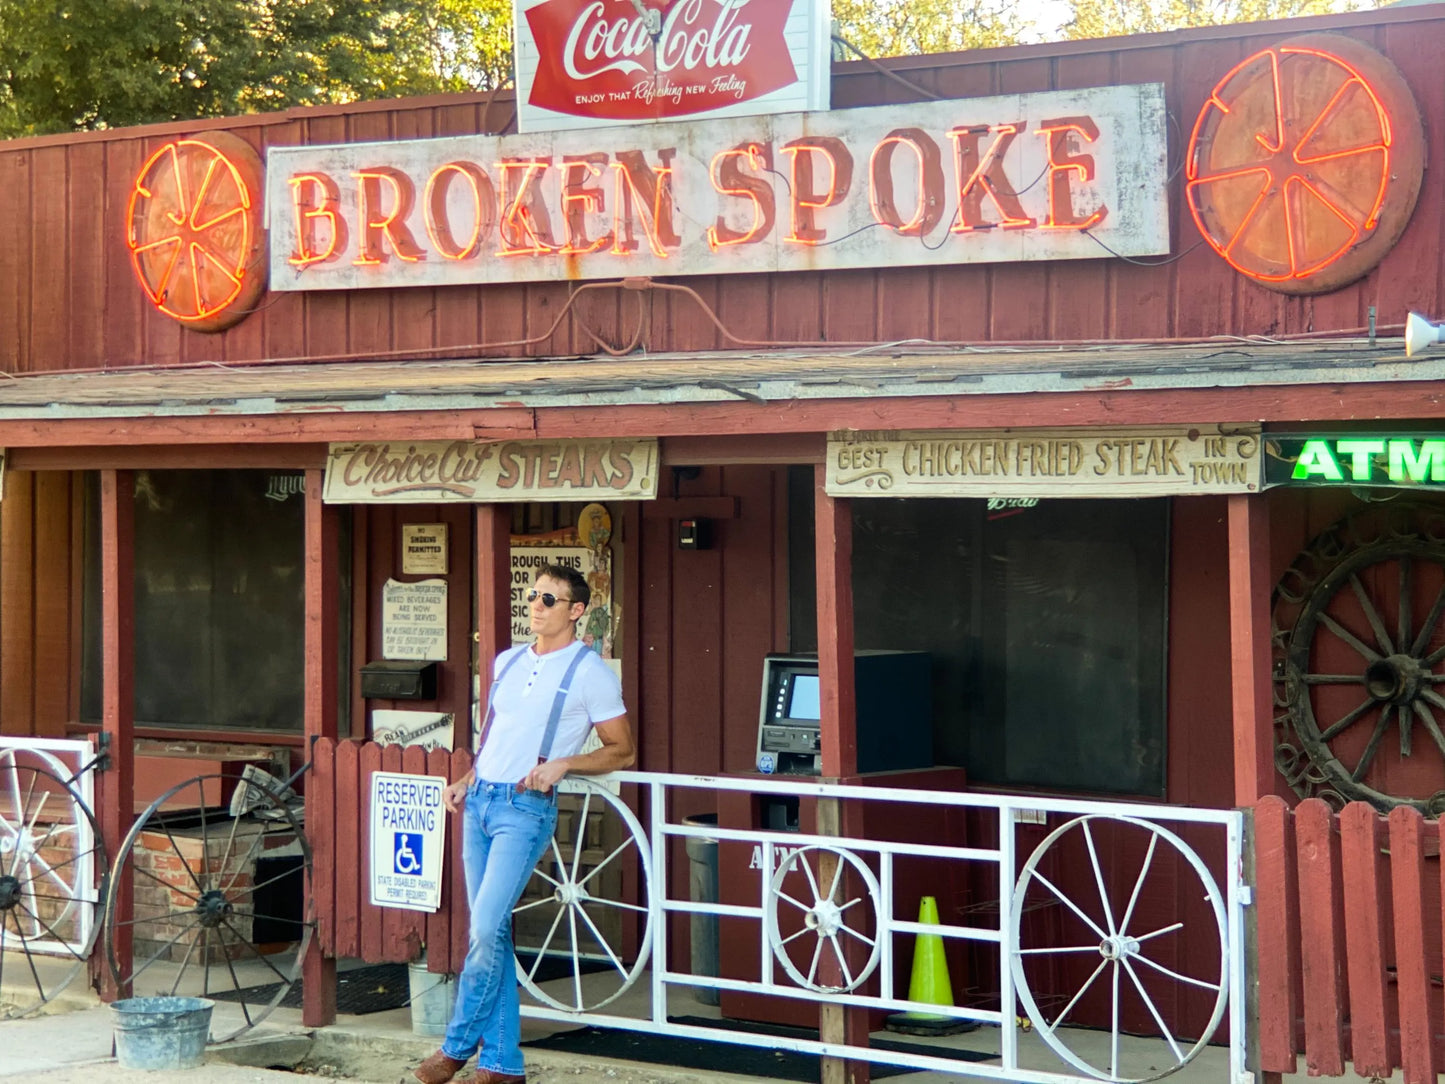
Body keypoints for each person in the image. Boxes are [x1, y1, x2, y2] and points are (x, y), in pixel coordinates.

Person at [410, 564, 635, 1084]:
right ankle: (504, 1064)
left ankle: (456, 1045)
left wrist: (564, 764)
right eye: (532, 595)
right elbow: (496, 738)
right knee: (494, 933)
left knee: (486, 926)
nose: (535, 605)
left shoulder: (590, 672)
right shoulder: (508, 661)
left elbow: (623, 749)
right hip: (480, 803)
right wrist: (467, 777)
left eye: (549, 599)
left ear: (576, 612)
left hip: (523, 810)